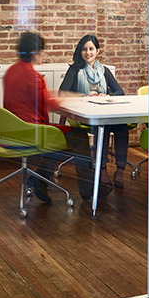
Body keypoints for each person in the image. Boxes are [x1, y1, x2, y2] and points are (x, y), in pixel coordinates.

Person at [3, 31, 108, 202]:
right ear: (35, 53)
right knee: (79, 137)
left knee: (58, 135)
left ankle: (39, 180)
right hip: (30, 131)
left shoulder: (12, 71)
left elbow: (35, 97)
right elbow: (51, 104)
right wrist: (77, 97)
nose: (42, 55)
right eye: (42, 51)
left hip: (14, 129)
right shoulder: (32, 76)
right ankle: (89, 189)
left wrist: (57, 94)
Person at [58, 34, 130, 189]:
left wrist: (107, 96)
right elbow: (62, 93)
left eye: (91, 49)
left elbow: (120, 92)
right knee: (103, 126)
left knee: (122, 126)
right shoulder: (74, 70)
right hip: (83, 115)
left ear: (98, 51)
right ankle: (102, 169)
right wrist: (84, 96)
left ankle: (120, 169)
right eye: (84, 49)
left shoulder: (104, 70)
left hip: (103, 110)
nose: (88, 52)